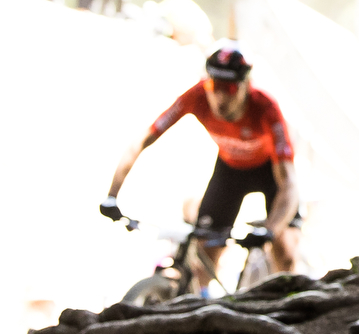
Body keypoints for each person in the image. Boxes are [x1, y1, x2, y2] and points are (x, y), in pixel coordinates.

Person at [101, 44, 302, 293]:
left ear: (245, 86)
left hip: (269, 172)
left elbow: (290, 184)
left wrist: (271, 230)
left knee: (285, 248)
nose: (219, 97)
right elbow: (143, 140)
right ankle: (202, 300)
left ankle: (289, 295)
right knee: (205, 248)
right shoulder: (195, 97)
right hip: (230, 169)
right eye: (213, 86)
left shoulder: (266, 109)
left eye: (228, 88)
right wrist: (112, 195)